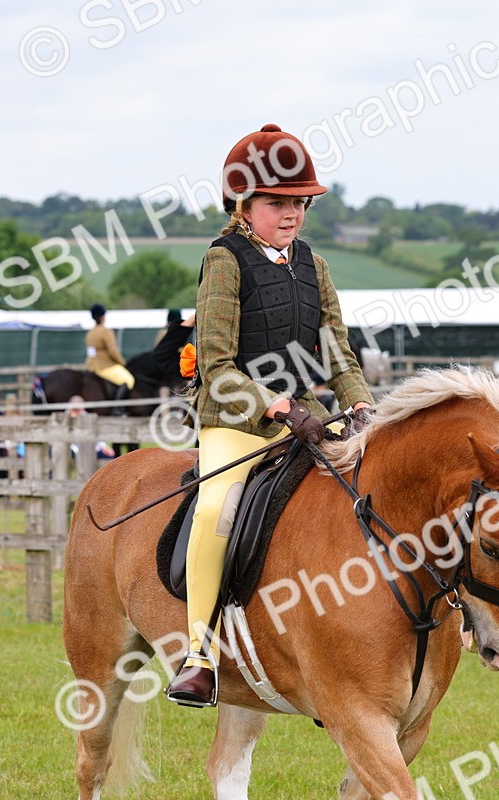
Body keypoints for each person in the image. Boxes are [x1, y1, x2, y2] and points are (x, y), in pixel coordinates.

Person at [166, 123, 374, 707]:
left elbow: (337, 350)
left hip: (304, 417)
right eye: (277, 202)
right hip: (235, 420)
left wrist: (359, 403)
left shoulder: (314, 264)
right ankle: (200, 654)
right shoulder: (224, 260)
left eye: (299, 203)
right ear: (244, 204)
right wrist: (275, 402)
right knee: (216, 510)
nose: (291, 214)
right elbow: (216, 362)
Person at [84, 304, 135, 411]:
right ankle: (117, 408)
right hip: (104, 366)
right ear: (102, 316)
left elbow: (90, 352)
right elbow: (113, 351)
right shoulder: (106, 332)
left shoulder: (90, 333)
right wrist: (122, 362)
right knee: (128, 380)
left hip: (91, 366)